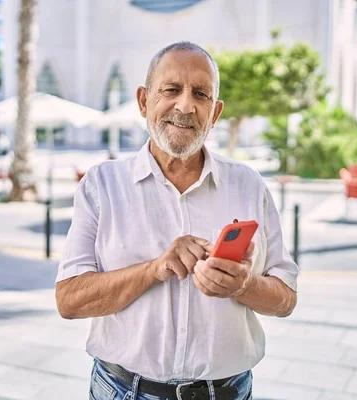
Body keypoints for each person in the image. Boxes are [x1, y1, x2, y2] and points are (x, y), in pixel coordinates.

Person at [55, 41, 298, 400]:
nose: (185, 106)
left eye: (200, 94)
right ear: (143, 101)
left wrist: (244, 285)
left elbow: (286, 298)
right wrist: (155, 269)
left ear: (214, 114)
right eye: (171, 90)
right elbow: (69, 300)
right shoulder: (101, 185)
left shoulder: (248, 185)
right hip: (122, 390)